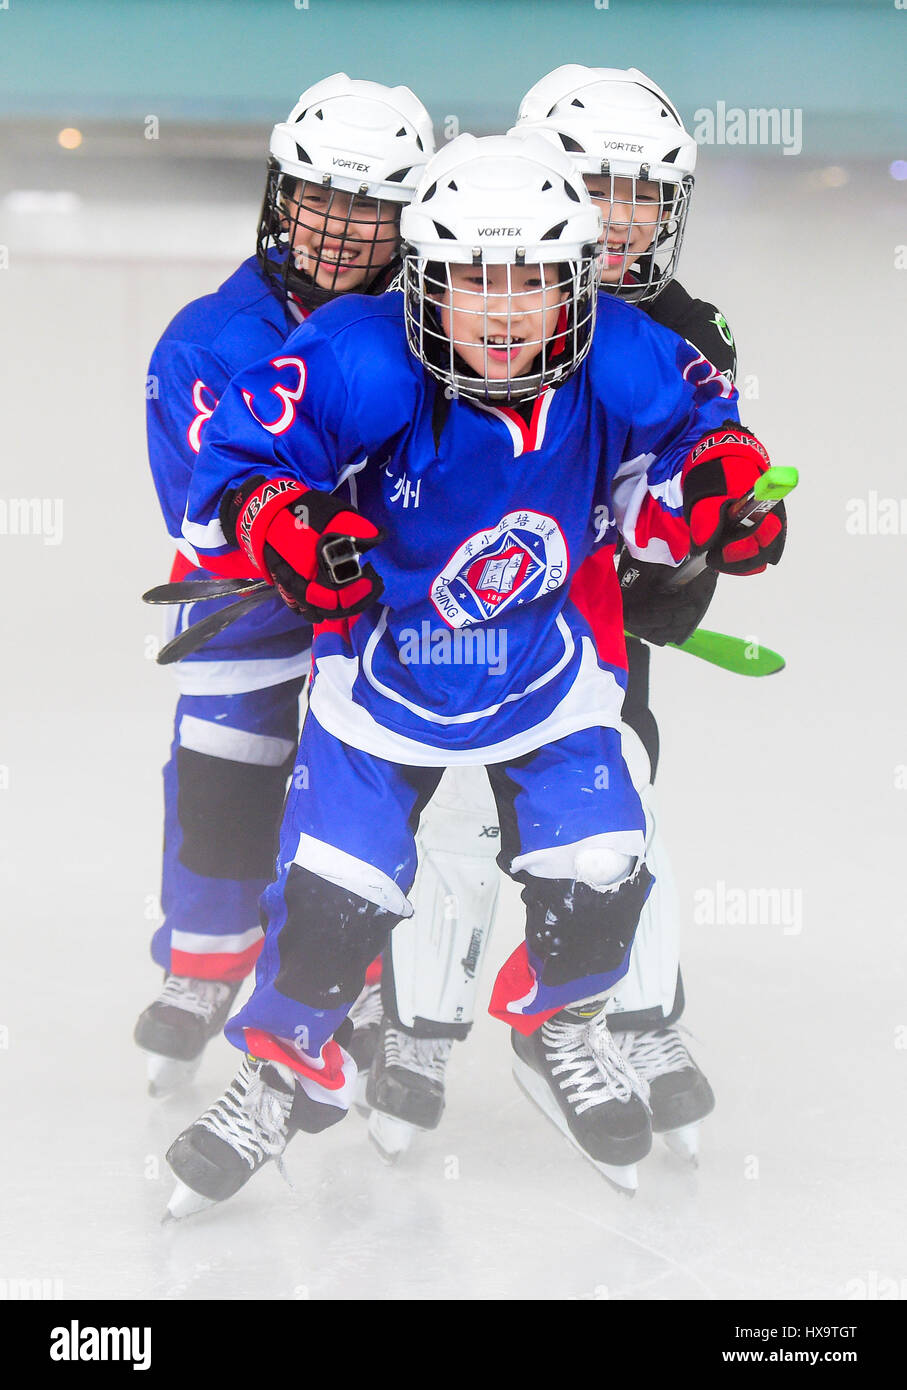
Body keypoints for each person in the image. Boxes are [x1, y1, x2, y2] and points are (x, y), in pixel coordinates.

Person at [164, 131, 785, 1216]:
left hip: (548, 673)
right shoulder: (357, 353)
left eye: (535, 281)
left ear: (574, 278)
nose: (504, 314)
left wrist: (718, 504)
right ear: (424, 277)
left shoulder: (626, 351)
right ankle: (279, 1077)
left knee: (604, 865)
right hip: (381, 685)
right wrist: (284, 524)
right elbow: (239, 468)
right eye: (473, 281)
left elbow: (699, 442)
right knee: (333, 908)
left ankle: (565, 1023)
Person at [364, 66, 739, 1172]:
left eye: (642, 195)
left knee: (616, 802)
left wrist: (692, 558)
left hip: (584, 629)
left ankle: (626, 1011)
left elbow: (693, 482)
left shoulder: (680, 330)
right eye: (597, 189)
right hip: (439, 629)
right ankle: (417, 1031)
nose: (621, 221)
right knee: (442, 825)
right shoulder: (439, 300)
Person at [133, 74, 434, 1095]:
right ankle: (207, 954)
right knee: (224, 763)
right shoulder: (207, 339)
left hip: (390, 611)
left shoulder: (439, 329)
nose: (340, 228)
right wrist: (287, 546)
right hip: (253, 602)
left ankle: (361, 982)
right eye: (320, 198)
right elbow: (202, 504)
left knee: (375, 797)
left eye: (371, 206)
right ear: (279, 194)